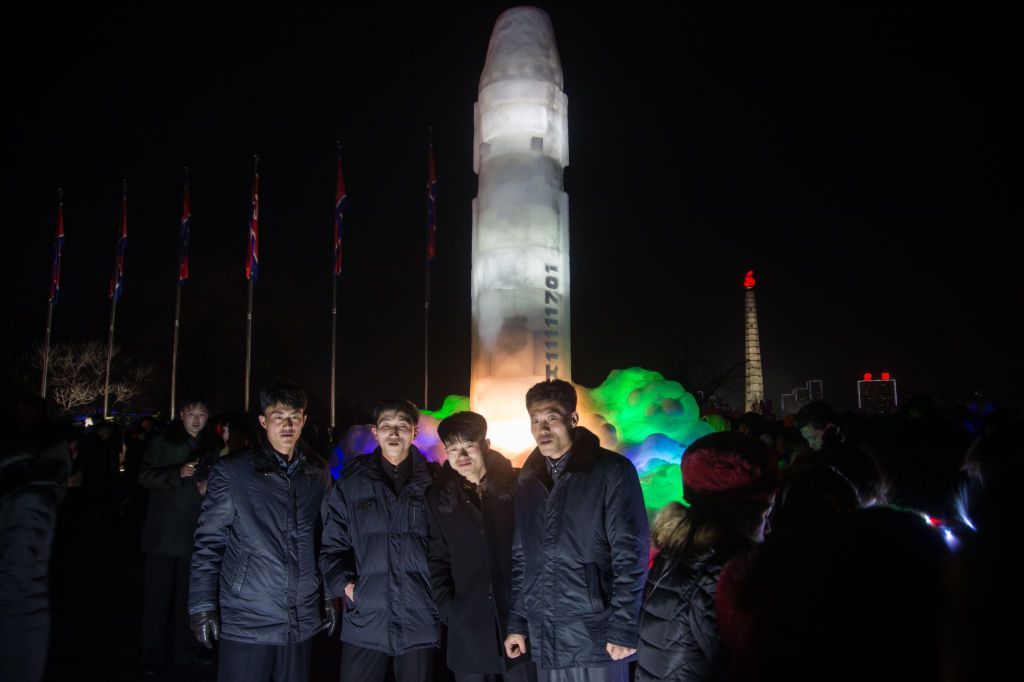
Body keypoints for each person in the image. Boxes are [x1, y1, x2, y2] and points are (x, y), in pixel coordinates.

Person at [188, 381, 334, 682]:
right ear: (263, 421)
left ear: (304, 420)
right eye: (278, 416)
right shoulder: (233, 471)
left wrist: (329, 594)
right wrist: (202, 605)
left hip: (301, 614)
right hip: (249, 613)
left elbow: (328, 538)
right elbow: (209, 542)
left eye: (294, 416)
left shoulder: (317, 471)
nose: (287, 424)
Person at [504, 380, 649, 681]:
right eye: (535, 421)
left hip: (597, 632)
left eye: (552, 419)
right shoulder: (528, 481)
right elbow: (523, 560)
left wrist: (624, 625)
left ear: (573, 419)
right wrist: (517, 622)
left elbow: (630, 552)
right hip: (546, 634)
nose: (542, 429)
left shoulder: (612, 471)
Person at [636, 432, 780, 682]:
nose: (768, 524)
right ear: (746, 509)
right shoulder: (727, 571)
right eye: (766, 510)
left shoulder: (674, 552)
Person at [321, 398, 439, 682]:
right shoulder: (352, 483)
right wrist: (348, 587)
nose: (394, 433)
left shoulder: (435, 484)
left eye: (402, 426)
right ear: (375, 432)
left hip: (419, 617)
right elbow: (331, 548)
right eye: (387, 426)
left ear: (414, 432)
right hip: (366, 618)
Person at [426, 411, 537, 682]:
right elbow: (437, 557)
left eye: (468, 447)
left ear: (486, 446)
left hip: (519, 623)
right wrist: (450, 610)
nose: (461, 456)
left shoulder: (520, 485)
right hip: (468, 626)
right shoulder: (438, 497)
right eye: (452, 449)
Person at [138, 396, 220, 673]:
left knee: (189, 597)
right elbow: (144, 476)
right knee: (157, 598)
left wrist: (210, 486)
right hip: (162, 532)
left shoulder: (212, 446)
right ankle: (152, 652)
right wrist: (177, 473)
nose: (196, 419)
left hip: (194, 533)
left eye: (202, 413)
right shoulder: (163, 442)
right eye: (191, 413)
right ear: (181, 415)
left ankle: (185, 650)